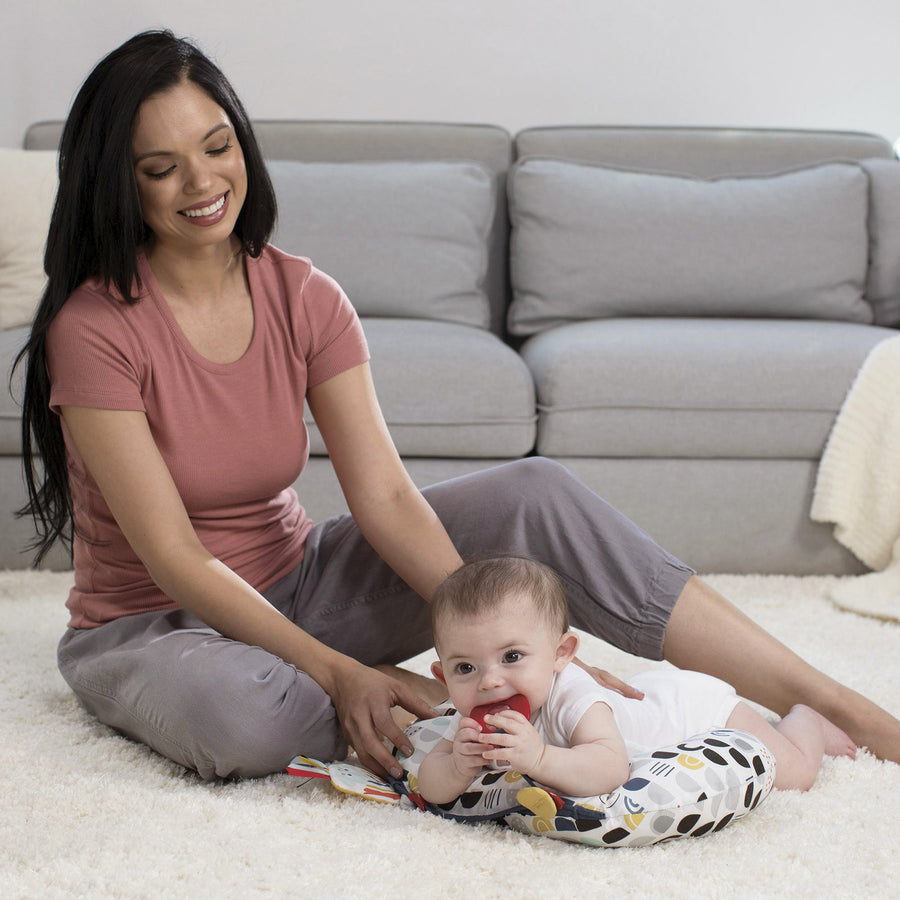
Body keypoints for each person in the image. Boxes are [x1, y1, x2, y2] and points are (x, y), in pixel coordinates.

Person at [13, 30, 899, 783]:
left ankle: (827, 700)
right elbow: (171, 556)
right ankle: (416, 707)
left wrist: (473, 637)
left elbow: (387, 499)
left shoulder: (302, 294)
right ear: (119, 184)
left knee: (534, 495)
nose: (202, 181)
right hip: (160, 628)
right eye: (160, 168)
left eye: (217, 145)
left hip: (303, 581)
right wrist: (346, 672)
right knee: (247, 721)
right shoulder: (94, 327)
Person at [417, 557, 857, 804]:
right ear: (442, 675)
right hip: (648, 700)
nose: (490, 682)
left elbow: (611, 768)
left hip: (694, 712)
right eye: (465, 668)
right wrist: (457, 765)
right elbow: (431, 786)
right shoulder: (473, 717)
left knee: (794, 774)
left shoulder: (575, 696)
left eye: (512, 657)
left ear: (561, 655)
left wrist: (540, 758)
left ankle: (807, 721)